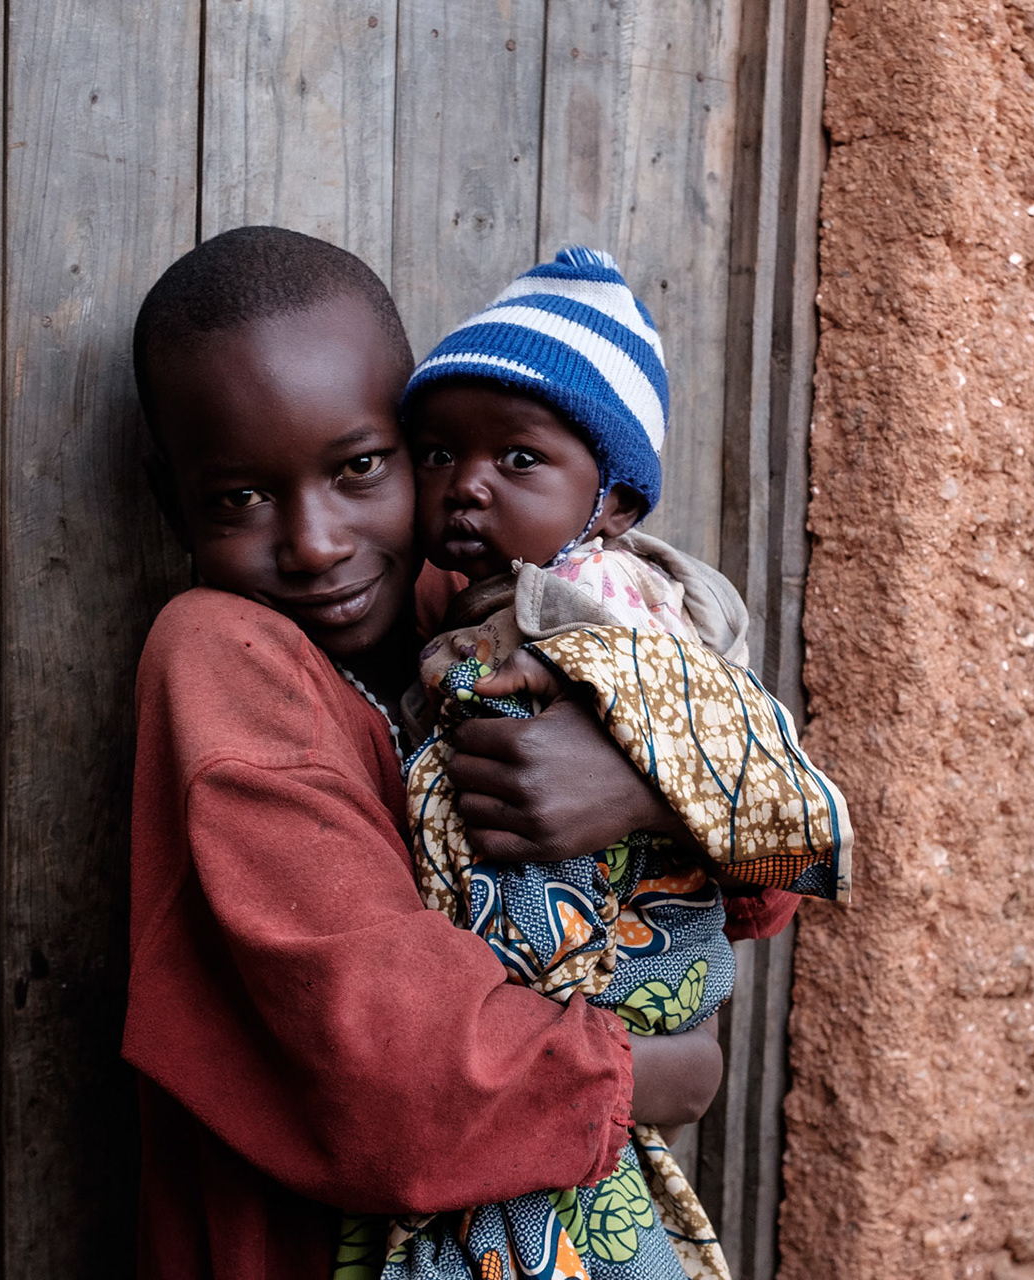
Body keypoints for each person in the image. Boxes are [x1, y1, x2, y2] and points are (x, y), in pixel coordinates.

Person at [121, 227, 808, 1280]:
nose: (315, 542)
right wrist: (646, 1076)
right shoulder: (220, 653)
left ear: (418, 444)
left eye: (361, 467)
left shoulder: (500, 611)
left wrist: (644, 791)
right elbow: (391, 1073)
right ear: (174, 505)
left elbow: (768, 887)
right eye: (239, 498)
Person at [337, 248, 849, 1280]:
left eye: (518, 458)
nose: (466, 485)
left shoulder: (606, 601)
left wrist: (624, 765)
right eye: (437, 453)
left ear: (612, 502)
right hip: (561, 1052)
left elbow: (785, 817)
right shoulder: (480, 601)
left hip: (603, 987)